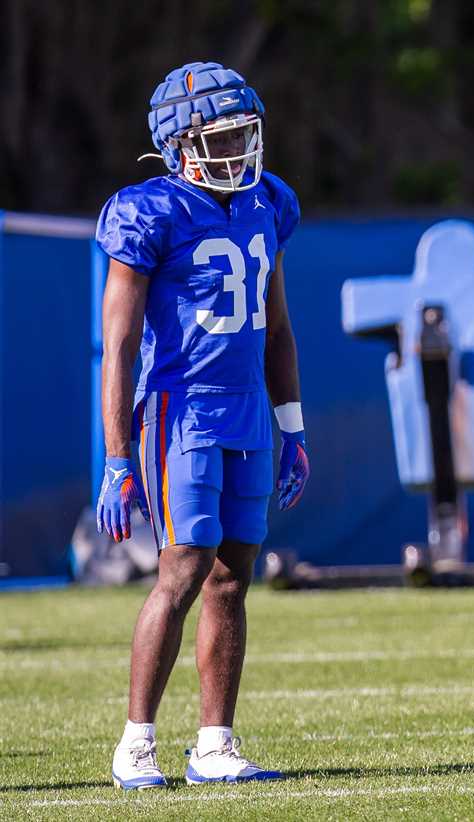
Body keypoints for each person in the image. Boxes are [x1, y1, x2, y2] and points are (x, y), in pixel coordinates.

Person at [96, 61, 309, 789]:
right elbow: (119, 344)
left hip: (248, 405)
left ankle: (214, 745)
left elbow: (277, 329)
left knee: (232, 577)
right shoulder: (150, 211)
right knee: (184, 567)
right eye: (219, 139)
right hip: (178, 408)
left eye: (243, 134)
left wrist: (294, 425)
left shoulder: (267, 203)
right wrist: (117, 457)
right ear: (179, 146)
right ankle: (136, 742)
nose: (237, 150)